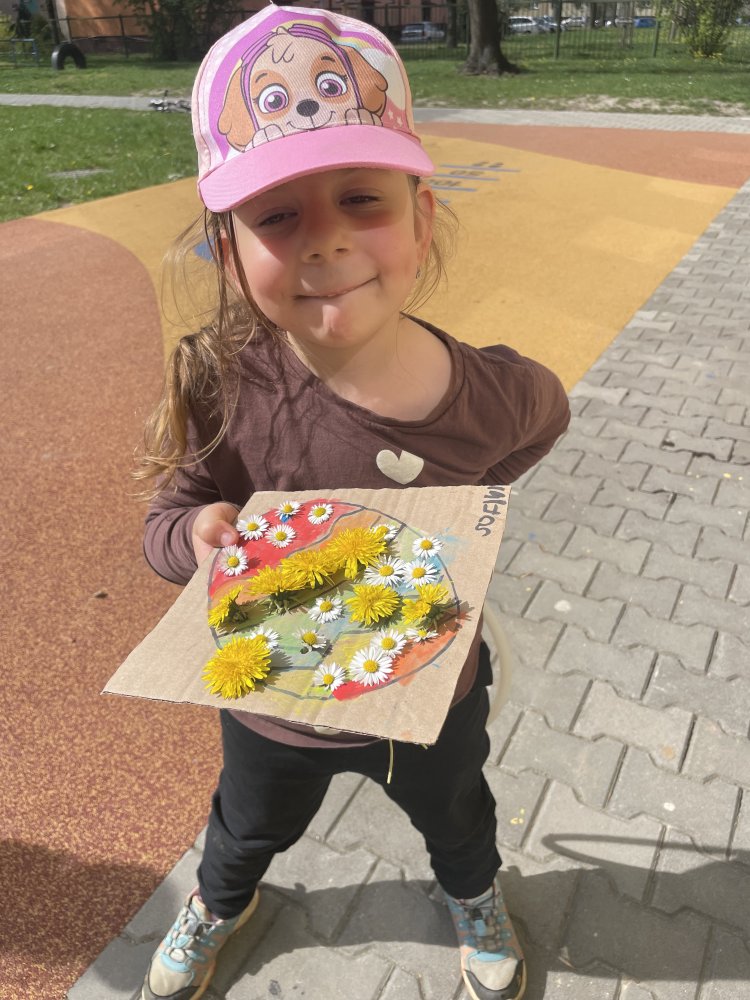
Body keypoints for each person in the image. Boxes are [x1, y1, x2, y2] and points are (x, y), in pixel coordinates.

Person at [135, 5, 570, 1000]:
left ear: (421, 218)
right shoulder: (222, 385)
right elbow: (168, 517)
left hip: (431, 692)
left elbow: (543, 422)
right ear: (227, 248)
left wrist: (475, 506)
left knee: (457, 815)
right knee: (245, 824)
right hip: (274, 706)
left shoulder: (490, 393)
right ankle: (219, 902)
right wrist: (194, 534)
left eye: (361, 198)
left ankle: (473, 895)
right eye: (277, 215)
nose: (325, 238)